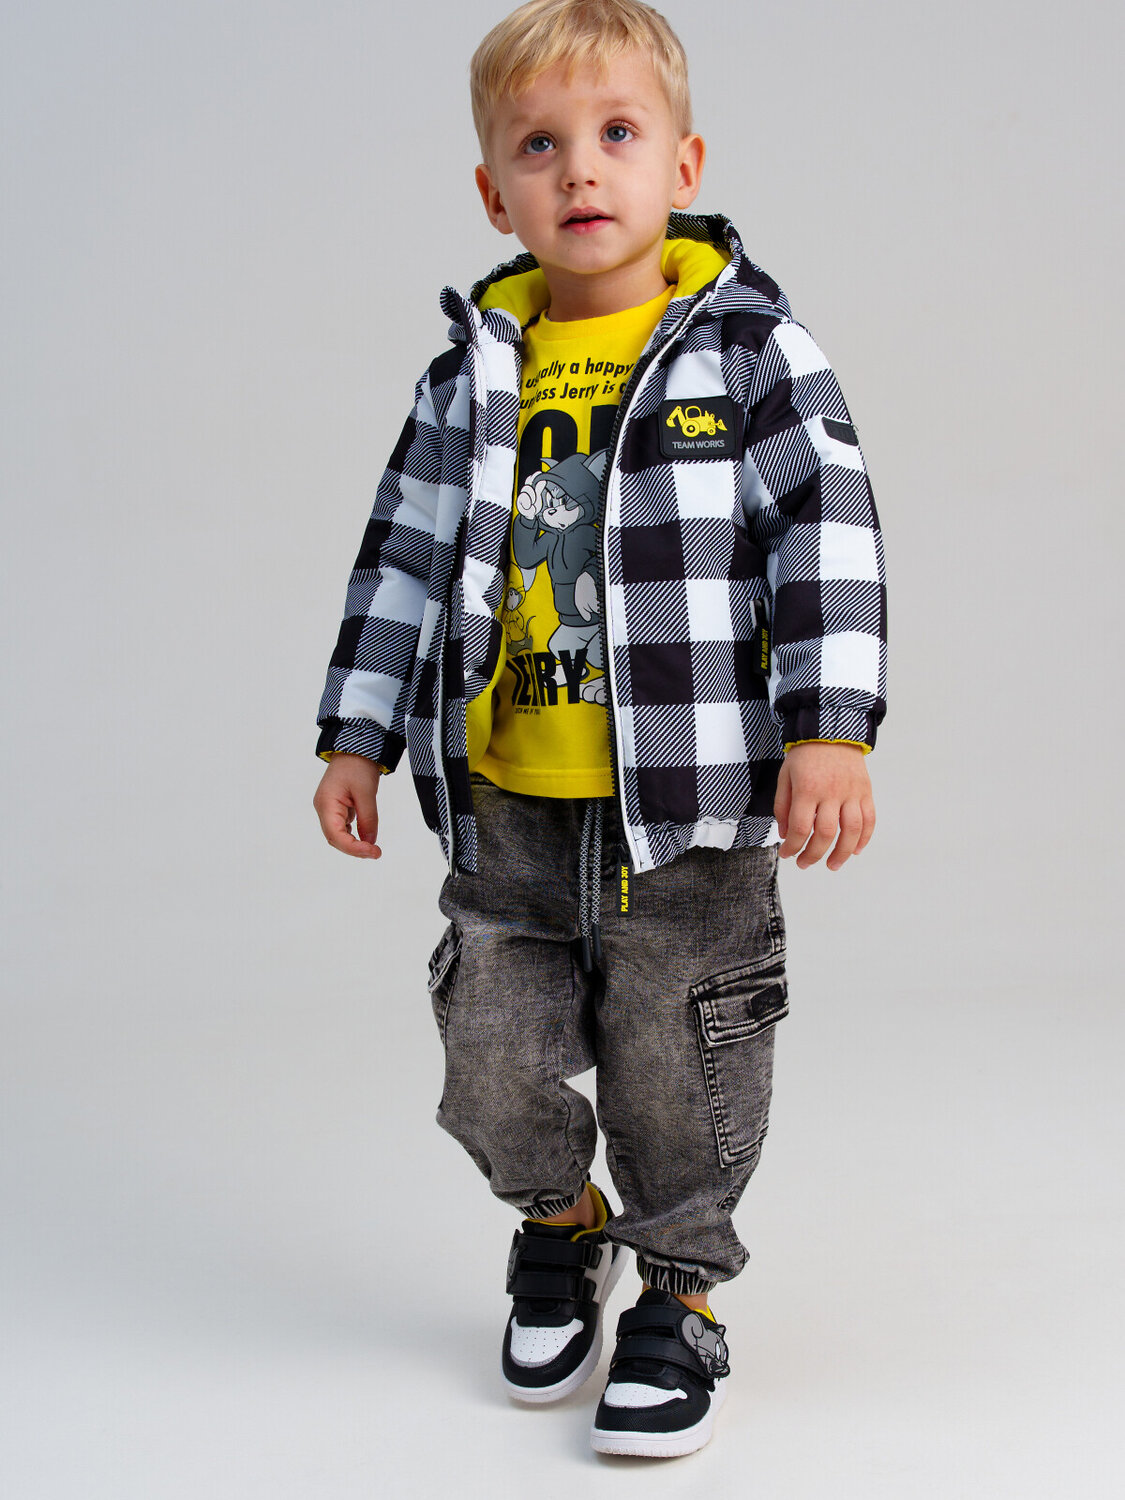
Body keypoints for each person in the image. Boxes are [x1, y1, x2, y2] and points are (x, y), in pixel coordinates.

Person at [312, 0, 887, 1459]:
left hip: (686, 808)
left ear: (681, 164)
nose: (580, 169)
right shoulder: (470, 373)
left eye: (617, 134)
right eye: (539, 146)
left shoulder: (747, 352)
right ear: (492, 191)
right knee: (487, 1053)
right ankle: (560, 1221)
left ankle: (681, 1290)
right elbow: (400, 558)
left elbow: (826, 534)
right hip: (507, 807)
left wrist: (830, 727)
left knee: (682, 1064)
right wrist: (356, 733)